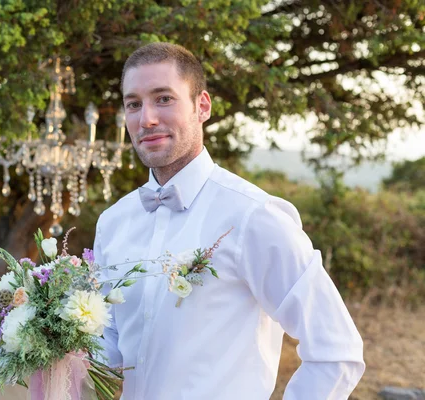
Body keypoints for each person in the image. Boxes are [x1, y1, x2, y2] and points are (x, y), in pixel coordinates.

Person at [92, 42, 365, 400]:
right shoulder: (113, 222)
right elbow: (108, 348)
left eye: (163, 99)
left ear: (201, 106)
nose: (146, 119)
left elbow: (336, 350)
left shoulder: (254, 216)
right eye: (133, 104)